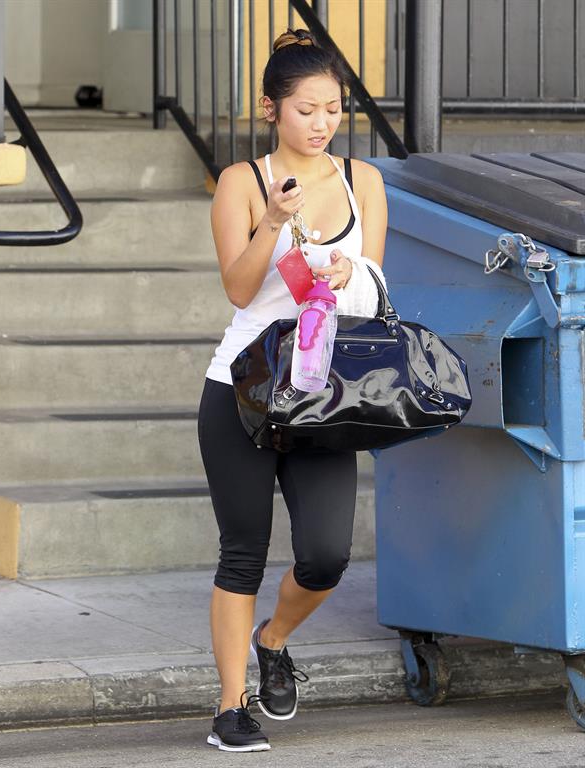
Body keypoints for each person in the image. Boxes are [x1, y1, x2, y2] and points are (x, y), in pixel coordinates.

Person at [198, 27, 388, 752]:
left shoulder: (361, 182)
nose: (321, 122)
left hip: (322, 396)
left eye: (333, 109)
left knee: (326, 555)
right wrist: (273, 222)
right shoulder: (241, 183)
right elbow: (240, 290)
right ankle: (228, 706)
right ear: (272, 109)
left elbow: (375, 289)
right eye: (306, 109)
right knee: (241, 551)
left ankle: (273, 640)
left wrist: (349, 277)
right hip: (242, 391)